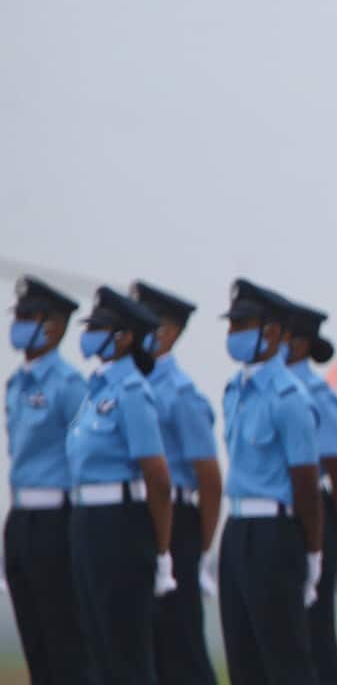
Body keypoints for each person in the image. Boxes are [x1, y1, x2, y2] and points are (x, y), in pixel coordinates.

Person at [68, 286, 176, 684]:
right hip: (87, 523)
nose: (91, 334)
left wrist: (162, 552)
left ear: (125, 337)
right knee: (97, 649)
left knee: (126, 652)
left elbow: (158, 479)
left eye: (101, 327)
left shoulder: (132, 391)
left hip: (120, 525)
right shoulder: (95, 389)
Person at [218, 279, 323, 685]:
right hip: (238, 529)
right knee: (243, 661)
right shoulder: (235, 391)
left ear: (274, 332)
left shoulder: (289, 397)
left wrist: (312, 551)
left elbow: (306, 484)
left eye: (245, 324)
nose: (234, 334)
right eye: (233, 325)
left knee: (285, 660)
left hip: (275, 534)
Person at [4, 276, 93, 684]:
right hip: (21, 519)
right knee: (35, 641)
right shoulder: (15, 384)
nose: (18, 324)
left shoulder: (70, 386)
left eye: (28, 316)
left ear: (53, 326)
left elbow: (87, 454)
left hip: (57, 521)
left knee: (65, 641)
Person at [131, 280, 221, 685]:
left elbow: (209, 479)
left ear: (167, 332)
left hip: (177, 521)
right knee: (138, 643)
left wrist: (196, 550)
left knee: (180, 642)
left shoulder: (181, 395)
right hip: (131, 516)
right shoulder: (121, 386)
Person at [282, 299, 337, 685]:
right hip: (270, 517)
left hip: (312, 514)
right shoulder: (260, 390)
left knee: (314, 633)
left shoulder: (319, 398)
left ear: (297, 343)